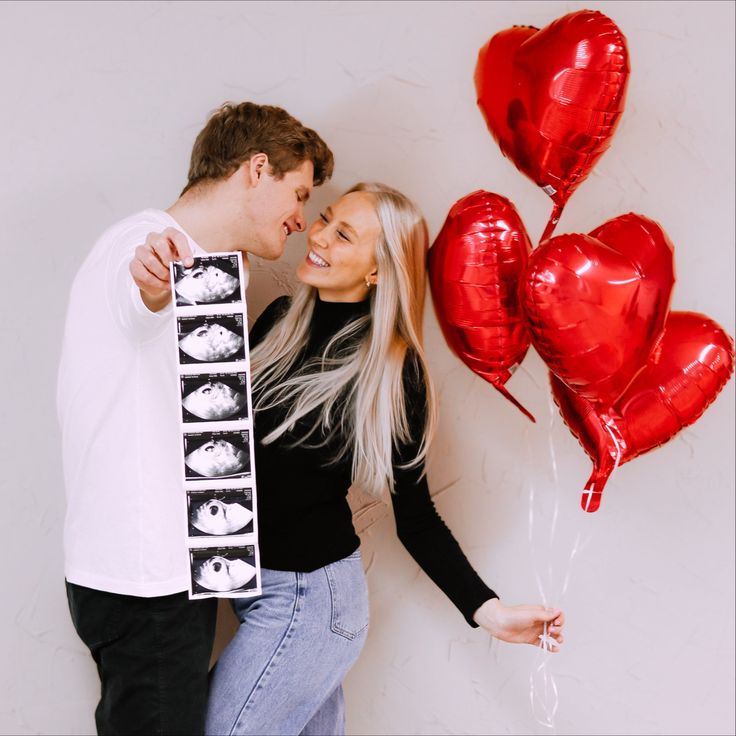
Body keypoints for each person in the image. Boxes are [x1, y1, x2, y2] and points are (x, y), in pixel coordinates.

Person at [204, 183, 565, 736]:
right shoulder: (278, 321)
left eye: (343, 234)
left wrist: (488, 610)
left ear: (378, 271)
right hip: (250, 591)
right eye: (324, 218)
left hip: (309, 604)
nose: (317, 236)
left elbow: (417, 518)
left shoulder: (393, 373)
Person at [57, 101, 334, 736]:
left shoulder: (215, 270)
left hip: (174, 578)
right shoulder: (145, 246)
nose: (301, 218)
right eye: (298, 192)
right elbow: (142, 297)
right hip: (145, 583)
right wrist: (154, 284)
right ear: (256, 169)